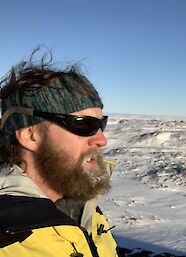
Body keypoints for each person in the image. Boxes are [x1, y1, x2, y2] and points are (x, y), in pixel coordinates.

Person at [0, 48, 118, 257]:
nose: (101, 139)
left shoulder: (83, 206)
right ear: (30, 135)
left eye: (102, 124)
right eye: (83, 124)